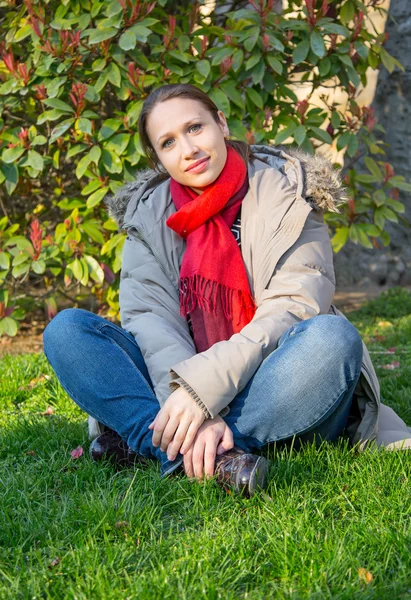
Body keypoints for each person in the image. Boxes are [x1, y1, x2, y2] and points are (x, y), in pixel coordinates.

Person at [43, 84, 411, 497]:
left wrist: (204, 394)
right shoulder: (148, 216)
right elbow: (152, 323)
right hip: (182, 379)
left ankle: (164, 442)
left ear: (220, 122)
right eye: (168, 142)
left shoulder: (288, 192)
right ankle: (211, 456)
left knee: (333, 339)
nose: (188, 149)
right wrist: (190, 396)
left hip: (278, 380)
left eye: (195, 127)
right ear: (159, 158)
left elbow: (293, 307)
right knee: (68, 331)